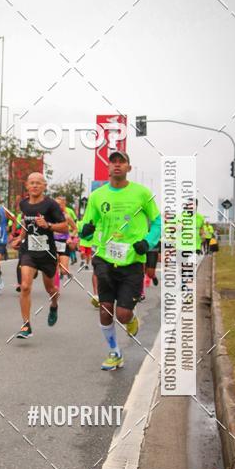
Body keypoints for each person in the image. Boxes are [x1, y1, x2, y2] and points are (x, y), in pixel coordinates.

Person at [80, 150, 161, 370]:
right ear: (108, 167)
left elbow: (157, 222)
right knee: (105, 308)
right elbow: (86, 227)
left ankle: (131, 316)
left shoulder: (142, 194)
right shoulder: (97, 196)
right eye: (113, 162)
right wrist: (85, 230)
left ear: (128, 168)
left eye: (121, 162)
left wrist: (148, 242)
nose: (117, 165)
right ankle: (114, 352)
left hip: (132, 261)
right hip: (105, 257)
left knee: (122, 315)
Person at [10, 173, 68, 339]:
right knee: (25, 286)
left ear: (44, 186)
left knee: (51, 289)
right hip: (29, 251)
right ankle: (26, 325)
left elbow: (64, 227)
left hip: (47, 252)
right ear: (27, 186)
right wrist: (19, 239)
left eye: (38, 183)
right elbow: (26, 225)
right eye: (32, 183)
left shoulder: (51, 205)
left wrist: (48, 225)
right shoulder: (24, 204)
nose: (34, 186)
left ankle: (54, 304)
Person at [52, 195, 78, 292]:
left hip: (64, 243)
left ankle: (60, 269)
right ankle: (56, 289)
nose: (57, 206)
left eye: (59, 204)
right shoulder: (50, 216)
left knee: (63, 270)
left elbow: (75, 229)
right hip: (53, 242)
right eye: (55, 204)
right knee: (55, 263)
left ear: (63, 205)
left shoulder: (67, 217)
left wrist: (70, 238)